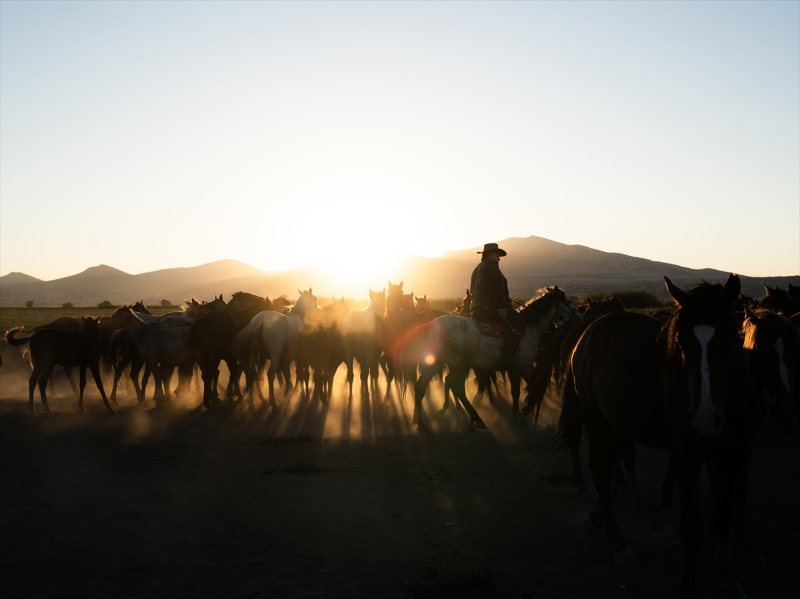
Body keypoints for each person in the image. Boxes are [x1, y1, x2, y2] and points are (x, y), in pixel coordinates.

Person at [469, 242, 526, 365]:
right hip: (489, 308)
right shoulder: (492, 266)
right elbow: (494, 290)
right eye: (497, 255)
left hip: (476, 309)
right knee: (520, 323)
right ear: (492, 255)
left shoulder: (477, 268)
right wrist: (501, 306)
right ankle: (507, 356)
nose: (499, 258)